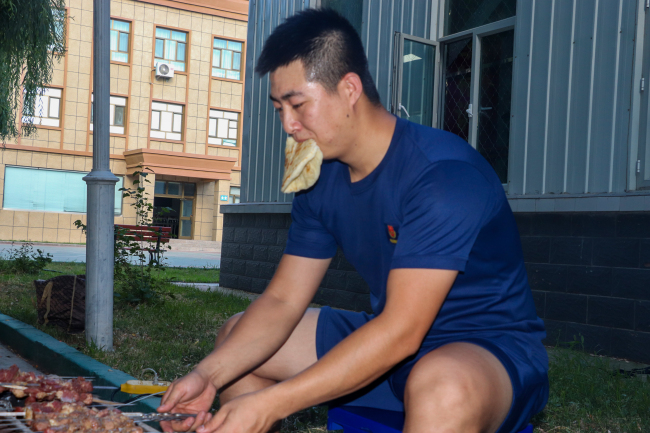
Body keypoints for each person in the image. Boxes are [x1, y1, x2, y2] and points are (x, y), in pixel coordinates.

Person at [158, 8, 549, 433]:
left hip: (486, 353)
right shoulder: (319, 177)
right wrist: (207, 375)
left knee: (441, 387)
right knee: (237, 342)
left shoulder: (442, 175)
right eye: (279, 108)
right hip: (393, 342)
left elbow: (402, 332)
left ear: (349, 89)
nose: (288, 124)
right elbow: (283, 300)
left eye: (298, 105)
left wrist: (272, 403)